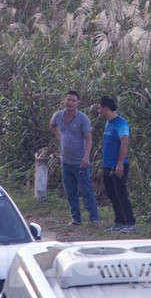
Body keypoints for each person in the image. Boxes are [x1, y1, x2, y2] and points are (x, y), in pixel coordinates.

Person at [50, 90, 99, 226]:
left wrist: (86, 157)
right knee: (70, 191)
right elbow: (52, 126)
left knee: (86, 190)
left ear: (78, 103)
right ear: (64, 100)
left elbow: (89, 139)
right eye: (68, 99)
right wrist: (58, 136)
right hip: (65, 161)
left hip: (81, 162)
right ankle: (76, 219)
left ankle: (94, 218)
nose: (70, 103)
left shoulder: (82, 118)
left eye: (73, 100)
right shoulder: (58, 116)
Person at [98, 95, 135, 232]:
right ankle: (119, 221)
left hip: (118, 165)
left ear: (106, 108)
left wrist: (120, 163)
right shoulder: (108, 123)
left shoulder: (121, 123)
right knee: (112, 194)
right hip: (107, 166)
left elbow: (124, 143)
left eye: (100, 108)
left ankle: (130, 222)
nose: (98, 111)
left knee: (121, 194)